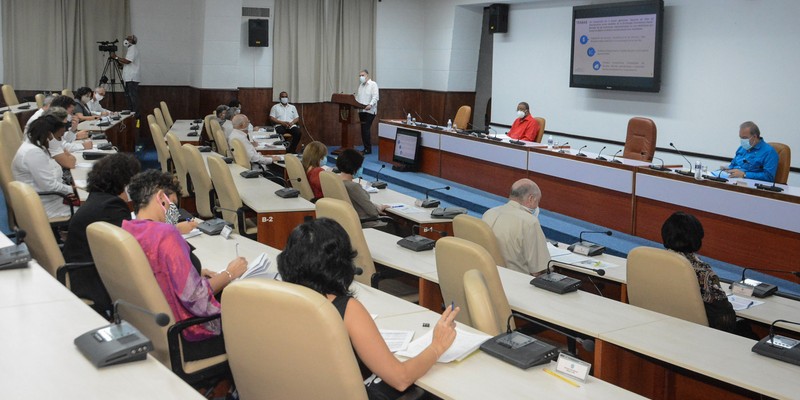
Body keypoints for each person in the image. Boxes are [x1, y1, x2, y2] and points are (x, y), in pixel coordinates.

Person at [277, 218, 459, 396]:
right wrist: (437, 347)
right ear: (342, 263)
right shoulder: (346, 309)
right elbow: (400, 379)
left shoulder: (278, 298)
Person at [123, 169, 248, 360]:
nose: (173, 212)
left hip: (150, 328)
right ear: (160, 198)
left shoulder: (129, 228)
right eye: (172, 204)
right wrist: (229, 273)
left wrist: (195, 272)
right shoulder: (166, 235)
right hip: (187, 335)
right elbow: (195, 297)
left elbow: (158, 271)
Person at [63, 153, 141, 316]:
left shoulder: (98, 199)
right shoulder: (111, 207)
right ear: (124, 181)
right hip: (95, 280)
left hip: (81, 272)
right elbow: (134, 247)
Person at [661, 211, 736, 333]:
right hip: (698, 333)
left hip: (663, 325)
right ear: (697, 238)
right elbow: (725, 317)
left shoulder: (655, 260)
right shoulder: (701, 270)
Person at [11, 115, 77, 219]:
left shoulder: (38, 147)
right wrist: (73, 190)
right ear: (49, 135)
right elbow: (49, 186)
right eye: (59, 137)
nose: (60, 141)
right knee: (91, 210)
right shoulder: (33, 152)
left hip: (51, 197)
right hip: (43, 205)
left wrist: (68, 190)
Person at [482, 178, 549, 276]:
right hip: (517, 283)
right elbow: (538, 271)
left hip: (489, 276)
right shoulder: (529, 222)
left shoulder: (488, 213)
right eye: (537, 201)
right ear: (531, 199)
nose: (537, 206)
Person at [336, 149, 388, 228]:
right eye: (360, 166)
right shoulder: (353, 187)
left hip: (348, 223)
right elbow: (373, 212)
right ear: (355, 167)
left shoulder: (335, 181)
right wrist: (379, 207)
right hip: (367, 225)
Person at [113, 35, 140, 116]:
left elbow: (128, 61)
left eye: (128, 39)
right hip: (129, 78)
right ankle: (132, 113)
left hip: (131, 78)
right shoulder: (131, 49)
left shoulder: (133, 48)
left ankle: (135, 115)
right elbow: (129, 64)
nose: (126, 40)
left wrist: (116, 57)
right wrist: (122, 66)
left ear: (132, 41)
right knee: (130, 98)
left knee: (132, 98)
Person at [355, 69, 379, 154]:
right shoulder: (361, 85)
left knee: (366, 129)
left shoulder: (373, 84)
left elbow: (375, 97)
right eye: (360, 76)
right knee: (363, 129)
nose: (361, 77)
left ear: (367, 75)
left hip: (369, 111)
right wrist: (354, 104)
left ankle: (368, 149)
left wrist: (370, 105)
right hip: (361, 110)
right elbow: (358, 98)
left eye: (363, 75)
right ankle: (366, 148)